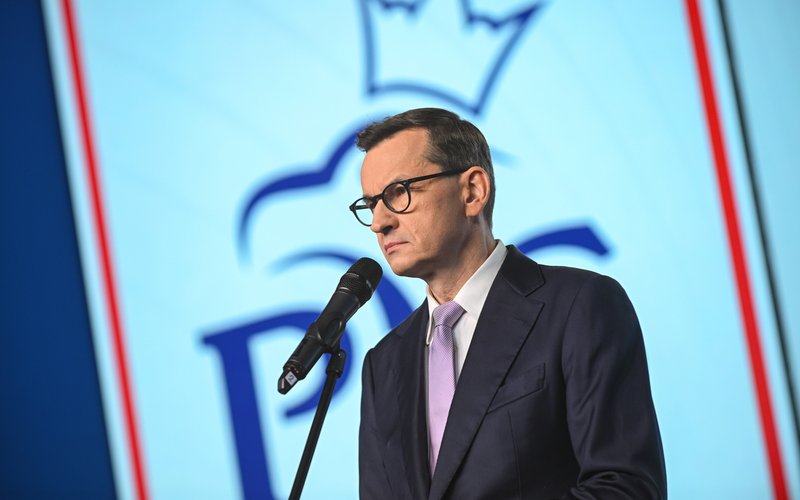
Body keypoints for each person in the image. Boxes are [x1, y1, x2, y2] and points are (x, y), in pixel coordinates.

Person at [351, 108, 666, 499]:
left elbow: (626, 487)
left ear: (472, 192)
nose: (379, 222)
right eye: (370, 204)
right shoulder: (383, 365)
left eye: (398, 193)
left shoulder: (579, 306)